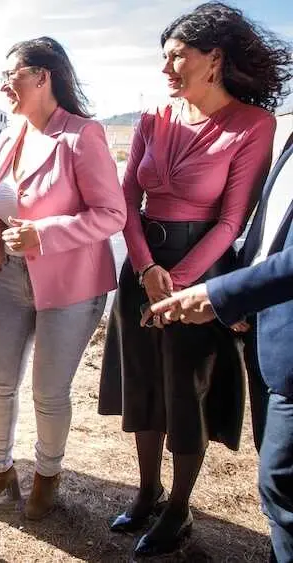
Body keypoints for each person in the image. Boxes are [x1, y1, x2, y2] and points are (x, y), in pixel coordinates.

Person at [98, 2, 287, 557]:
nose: (166, 69)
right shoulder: (155, 114)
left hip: (200, 270)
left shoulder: (255, 124)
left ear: (215, 59)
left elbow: (233, 220)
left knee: (186, 392)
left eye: (177, 56)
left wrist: (177, 280)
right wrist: (144, 267)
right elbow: (127, 196)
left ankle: (179, 508)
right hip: (140, 265)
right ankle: (147, 491)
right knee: (142, 384)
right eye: (164, 57)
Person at [0, 37, 126, 520]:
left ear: (42, 76)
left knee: (48, 391)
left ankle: (47, 478)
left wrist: (45, 235)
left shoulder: (82, 136)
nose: (3, 84)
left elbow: (112, 214)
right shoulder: (10, 135)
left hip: (71, 287)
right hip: (12, 278)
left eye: (11, 73)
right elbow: (7, 204)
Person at [152, 129, 293, 562]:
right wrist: (241, 298)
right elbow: (269, 234)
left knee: (282, 486)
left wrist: (218, 294)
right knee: (279, 490)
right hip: (270, 331)